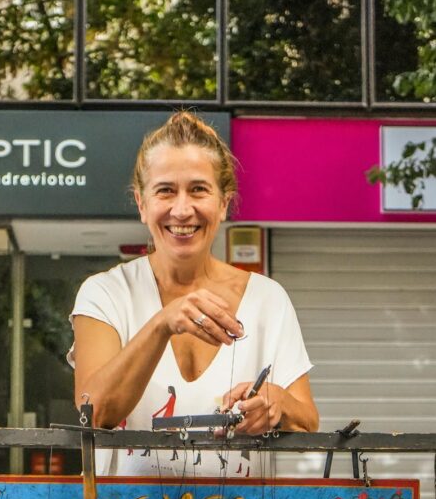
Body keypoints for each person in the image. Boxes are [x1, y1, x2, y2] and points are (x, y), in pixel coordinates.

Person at [69, 110, 318, 476]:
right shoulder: (104, 294)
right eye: (165, 191)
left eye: (198, 190)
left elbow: (307, 420)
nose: (182, 210)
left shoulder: (268, 299)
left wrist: (275, 403)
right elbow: (95, 413)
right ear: (142, 204)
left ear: (223, 203)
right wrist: (162, 324)